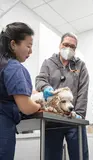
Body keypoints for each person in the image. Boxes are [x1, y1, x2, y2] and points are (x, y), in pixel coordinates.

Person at [35, 32, 89, 160]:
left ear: (75, 49)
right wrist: (45, 88)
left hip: (73, 119)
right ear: (60, 45)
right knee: (51, 156)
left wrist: (79, 116)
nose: (68, 49)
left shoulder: (80, 66)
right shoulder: (48, 63)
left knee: (79, 156)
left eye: (72, 46)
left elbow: (83, 91)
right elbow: (40, 80)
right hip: (53, 118)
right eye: (66, 45)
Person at [0, 22, 42, 160]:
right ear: (13, 45)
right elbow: (26, 107)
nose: (31, 51)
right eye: (28, 46)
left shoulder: (3, 64)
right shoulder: (14, 67)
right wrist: (39, 105)